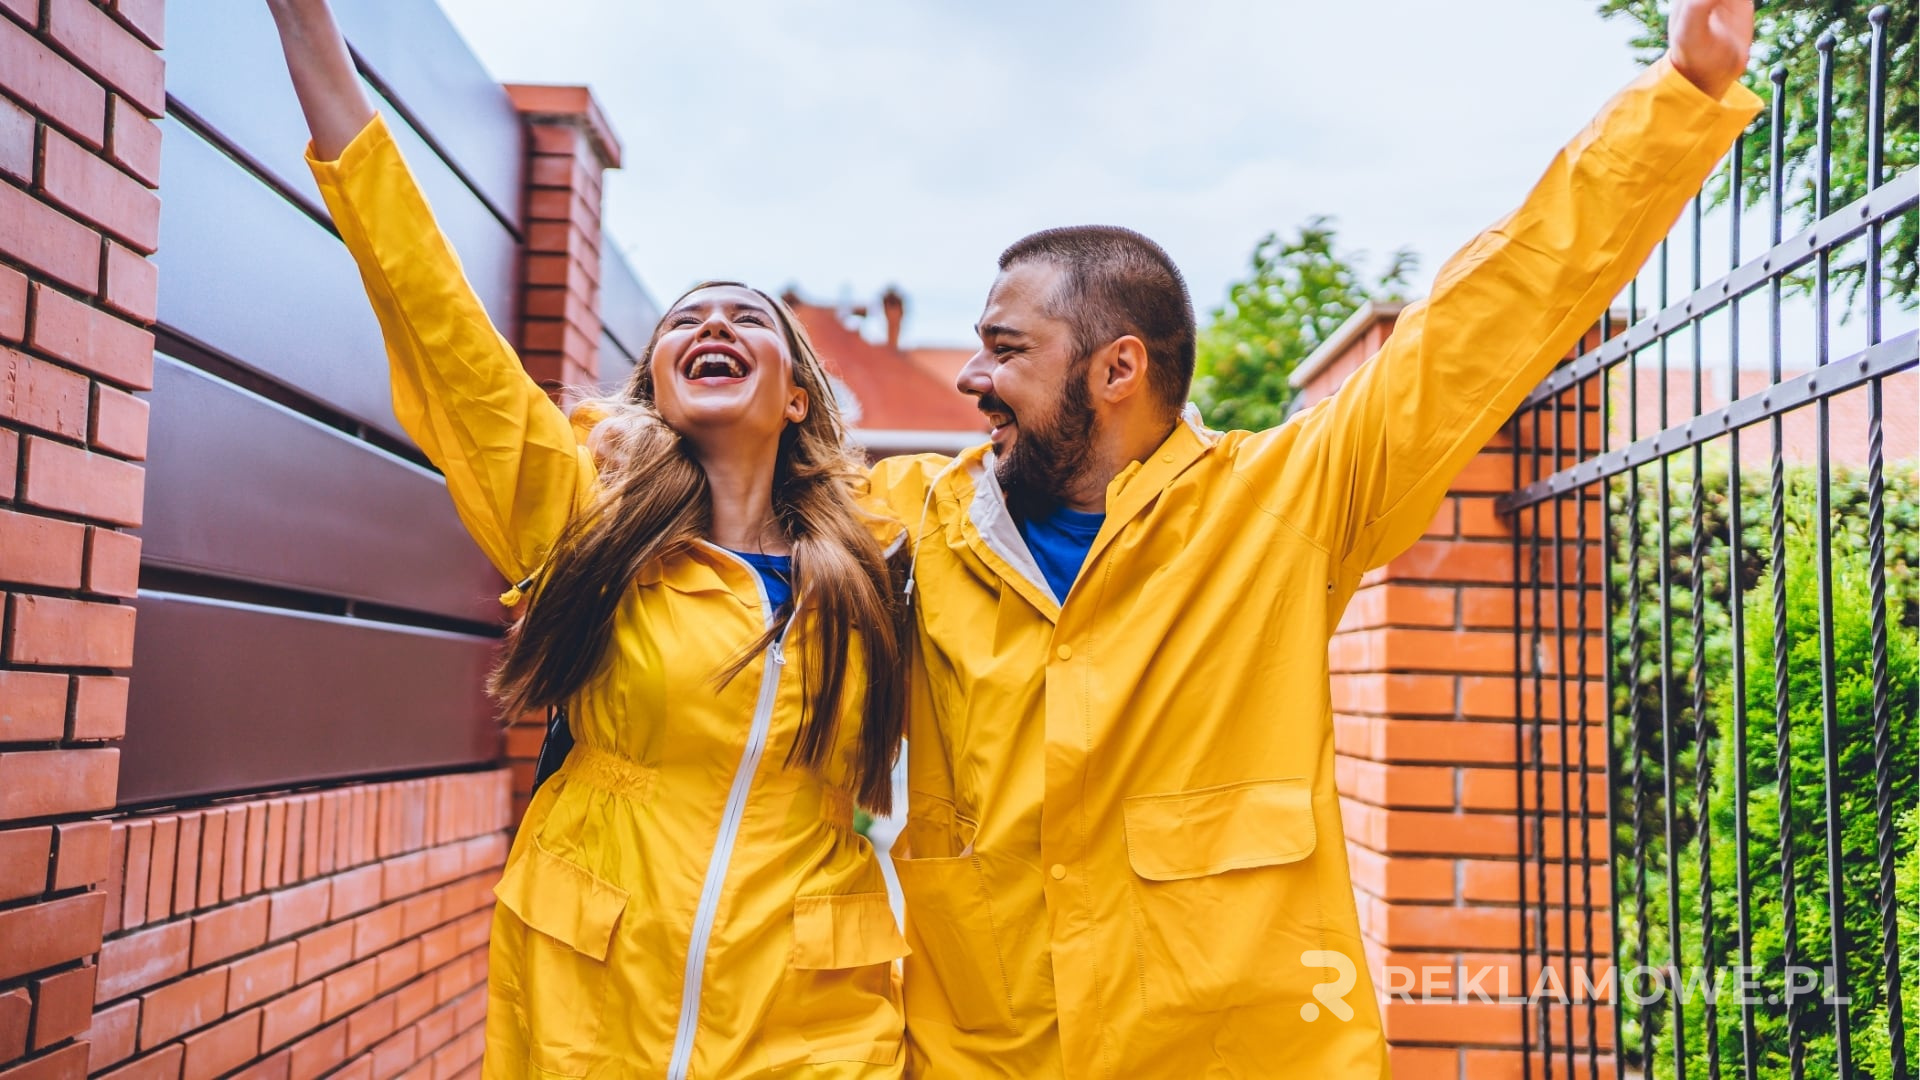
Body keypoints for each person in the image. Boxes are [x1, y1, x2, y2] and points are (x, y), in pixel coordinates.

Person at [861, 0, 1761, 1074]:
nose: (970, 379)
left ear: (1116, 370)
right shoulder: (917, 514)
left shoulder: (1284, 502)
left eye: (1004, 350)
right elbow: (709, 512)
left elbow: (1494, 312)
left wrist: (1684, 93)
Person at [265, 3, 917, 1077]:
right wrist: (306, 27)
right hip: (591, 995)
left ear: (798, 397)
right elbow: (430, 311)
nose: (712, 325)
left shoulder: (888, 545)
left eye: (747, 318)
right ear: (654, 381)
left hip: (812, 1016)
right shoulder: (577, 513)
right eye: (686, 321)